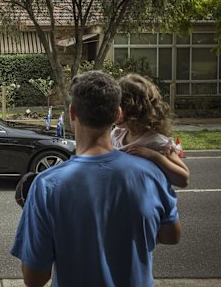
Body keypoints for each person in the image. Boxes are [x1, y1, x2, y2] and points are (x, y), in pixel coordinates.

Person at [11, 71, 181, 287]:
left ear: (73, 113)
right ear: (118, 114)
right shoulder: (152, 173)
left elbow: (34, 279)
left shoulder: (46, 186)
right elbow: (171, 236)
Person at [112, 73, 190, 188]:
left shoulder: (157, 142)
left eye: (118, 106)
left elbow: (184, 180)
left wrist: (155, 157)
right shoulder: (116, 134)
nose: (113, 111)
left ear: (134, 110)